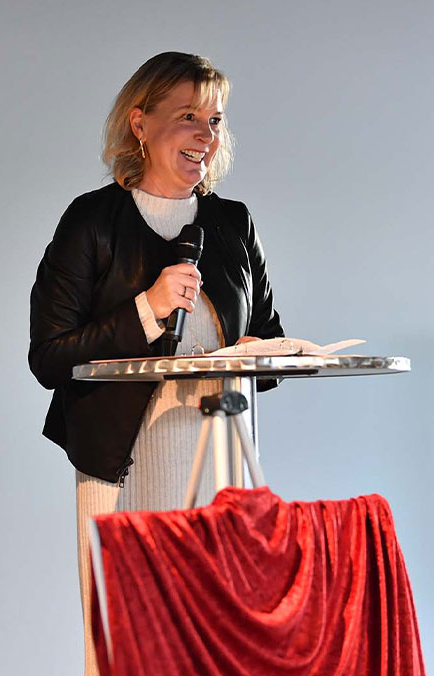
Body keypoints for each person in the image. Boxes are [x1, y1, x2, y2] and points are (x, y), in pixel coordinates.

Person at [27, 52, 284, 674]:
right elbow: (50, 357)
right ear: (139, 124)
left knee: (222, 648)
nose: (206, 135)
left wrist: (264, 352)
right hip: (125, 468)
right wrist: (147, 308)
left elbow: (269, 341)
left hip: (224, 468)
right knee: (128, 647)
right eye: (188, 116)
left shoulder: (233, 223)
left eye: (215, 120)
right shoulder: (92, 221)